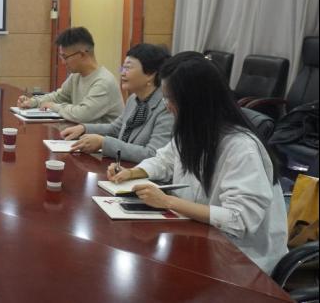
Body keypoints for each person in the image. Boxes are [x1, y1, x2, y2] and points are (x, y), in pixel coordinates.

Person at [107, 52, 288, 274]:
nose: (167, 106)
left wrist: (167, 201)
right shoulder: (193, 130)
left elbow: (238, 220)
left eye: (171, 99)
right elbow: (165, 160)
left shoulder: (241, 147)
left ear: (195, 101)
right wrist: (132, 173)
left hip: (243, 260)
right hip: (200, 237)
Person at [61, 43, 172, 162]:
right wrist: (84, 128)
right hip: (121, 167)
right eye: (122, 68)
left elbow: (153, 154)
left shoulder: (167, 107)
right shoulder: (134, 99)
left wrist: (104, 143)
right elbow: (115, 128)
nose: (122, 73)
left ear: (150, 74)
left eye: (128, 68)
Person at [17, 27, 123, 123]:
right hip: (83, 134)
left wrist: (53, 106)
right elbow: (59, 97)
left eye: (65, 57)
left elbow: (82, 114)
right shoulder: (76, 76)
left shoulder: (103, 82)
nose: (63, 62)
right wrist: (33, 102)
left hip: (103, 138)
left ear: (82, 54)